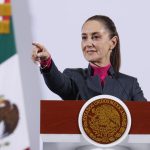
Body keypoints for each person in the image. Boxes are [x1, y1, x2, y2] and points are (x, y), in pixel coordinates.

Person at [32, 15, 146, 101]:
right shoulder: (74, 77)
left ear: (113, 42)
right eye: (84, 37)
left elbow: (145, 120)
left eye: (96, 37)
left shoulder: (130, 84)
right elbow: (59, 84)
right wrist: (46, 62)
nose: (88, 43)